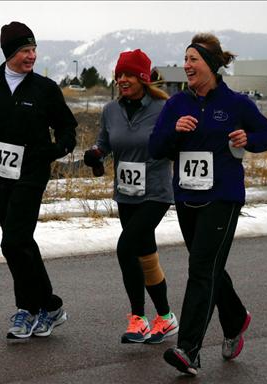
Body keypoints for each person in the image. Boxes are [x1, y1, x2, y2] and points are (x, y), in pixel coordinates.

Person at [149, 33, 267, 375]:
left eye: (194, 60)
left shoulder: (236, 104)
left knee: (202, 269)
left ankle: (188, 350)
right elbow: (156, 148)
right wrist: (175, 130)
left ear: (212, 65)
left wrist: (249, 138)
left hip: (223, 197)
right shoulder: (176, 105)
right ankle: (235, 319)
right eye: (186, 59)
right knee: (209, 265)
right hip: (188, 196)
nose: (187, 66)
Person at [0, 21, 77, 341]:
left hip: (32, 174)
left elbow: (67, 128)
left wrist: (56, 150)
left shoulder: (44, 89)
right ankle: (48, 306)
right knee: (20, 244)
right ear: (9, 52)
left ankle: (29, 309)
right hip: (1, 175)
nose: (32, 55)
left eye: (34, 49)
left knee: (12, 240)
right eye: (25, 50)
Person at [83, 49, 179, 344]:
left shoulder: (165, 108)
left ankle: (138, 319)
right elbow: (104, 143)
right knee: (145, 254)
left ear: (143, 78)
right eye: (119, 75)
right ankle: (165, 317)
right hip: (126, 193)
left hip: (156, 192)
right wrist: (96, 154)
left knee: (126, 248)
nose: (122, 80)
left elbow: (178, 142)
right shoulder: (111, 110)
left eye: (128, 75)